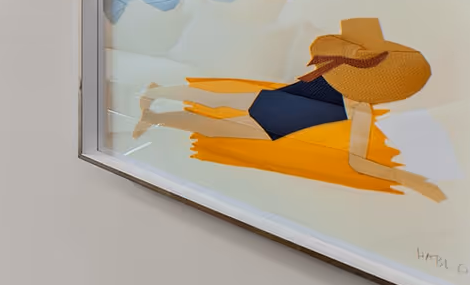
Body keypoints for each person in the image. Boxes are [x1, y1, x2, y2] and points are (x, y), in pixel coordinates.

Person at [130, 17, 444, 201]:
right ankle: (155, 102)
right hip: (272, 114)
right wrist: (407, 178)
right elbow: (358, 162)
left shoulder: (345, 87)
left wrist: (406, 178)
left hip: (271, 116)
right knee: (211, 108)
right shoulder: (345, 89)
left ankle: (154, 108)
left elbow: (358, 162)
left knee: (212, 113)